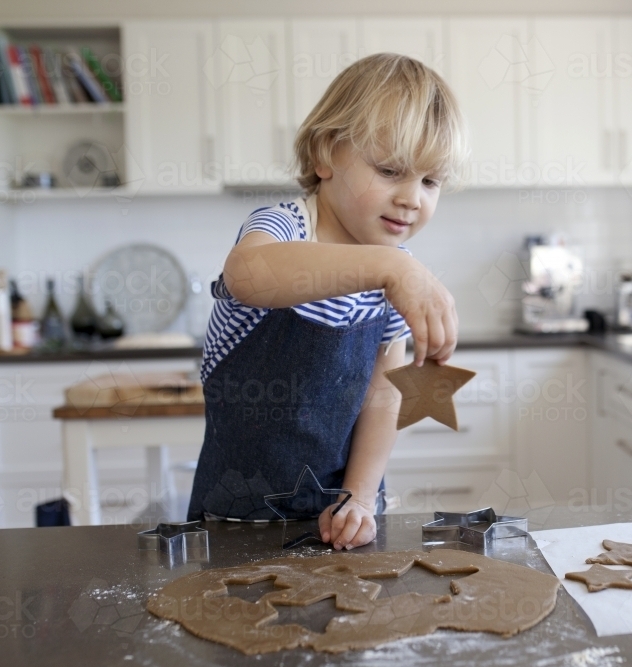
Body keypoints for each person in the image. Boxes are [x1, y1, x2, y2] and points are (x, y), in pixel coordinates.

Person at [187, 53, 469, 552]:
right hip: (238, 521)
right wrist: (393, 268)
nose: (412, 198)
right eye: (389, 170)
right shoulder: (284, 227)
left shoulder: (393, 268)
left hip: (339, 524)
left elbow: (383, 397)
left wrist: (360, 498)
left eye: (430, 182)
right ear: (325, 155)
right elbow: (247, 275)